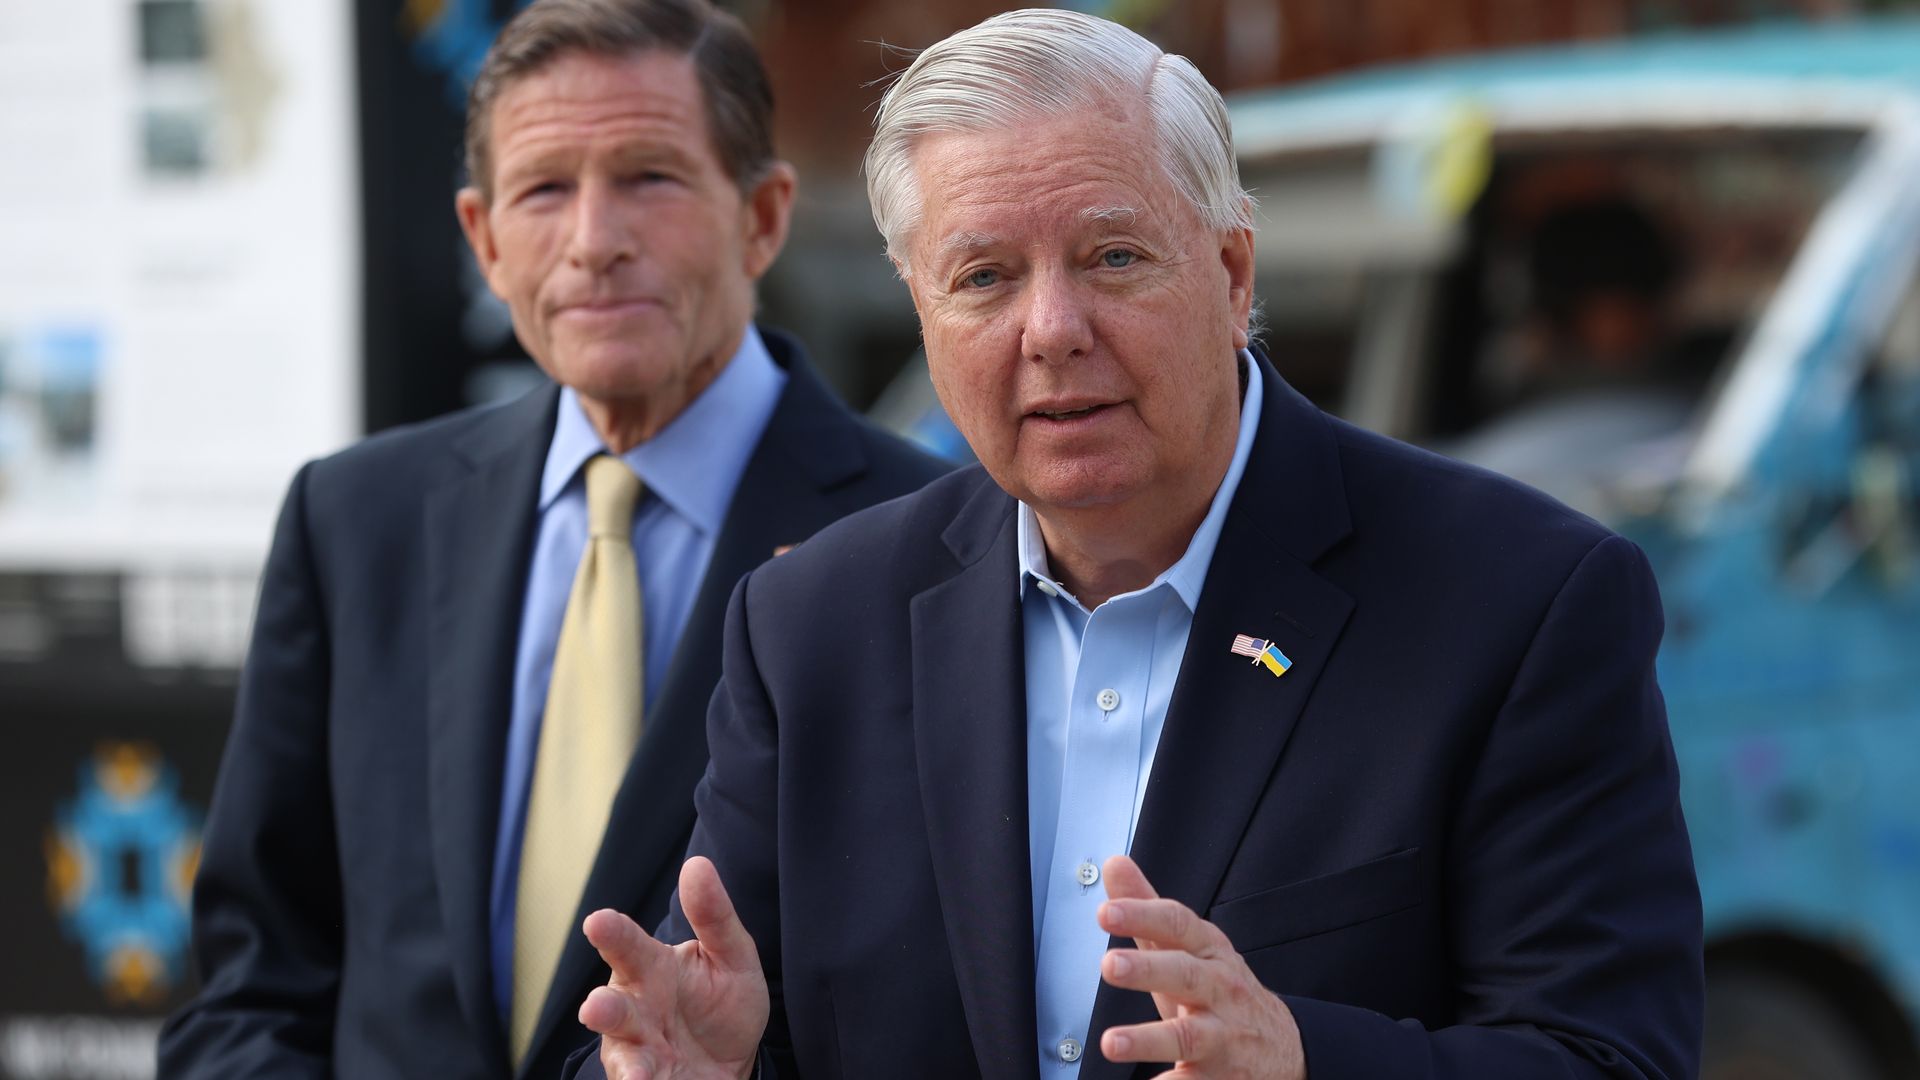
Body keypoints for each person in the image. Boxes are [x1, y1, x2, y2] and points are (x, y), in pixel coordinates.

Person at [567, 9, 1702, 1080]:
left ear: (1233, 272)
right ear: (921, 312)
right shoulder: (812, 627)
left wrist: (1304, 1057)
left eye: (1113, 258)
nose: (1053, 331)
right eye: (984, 279)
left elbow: (1610, 1054)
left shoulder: (1518, 602)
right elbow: (718, 1016)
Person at [157, 1, 947, 1077]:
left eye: (650, 178)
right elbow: (253, 992)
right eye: (542, 191)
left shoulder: (929, 545)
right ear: (484, 239)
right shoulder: (355, 523)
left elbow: (932, 1006)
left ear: (761, 216)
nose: (593, 241)